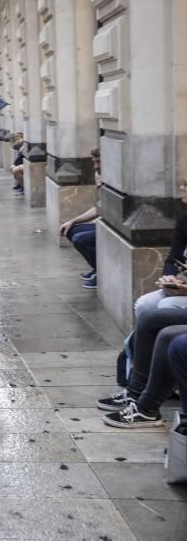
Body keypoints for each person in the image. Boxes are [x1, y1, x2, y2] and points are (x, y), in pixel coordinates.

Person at [96, 178, 187, 428]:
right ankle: (136, 392)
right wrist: (169, 277)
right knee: (146, 305)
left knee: (160, 318)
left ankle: (145, 402)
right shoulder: (184, 219)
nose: (180, 193)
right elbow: (174, 258)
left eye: (185, 187)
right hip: (181, 289)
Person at [59, 148, 102, 289]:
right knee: (71, 230)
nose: (96, 166)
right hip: (101, 224)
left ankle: (102, 274)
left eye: (99, 162)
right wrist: (72, 221)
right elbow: (99, 207)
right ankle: (98, 268)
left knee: (80, 239)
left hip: (109, 228)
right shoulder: (99, 175)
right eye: (94, 162)